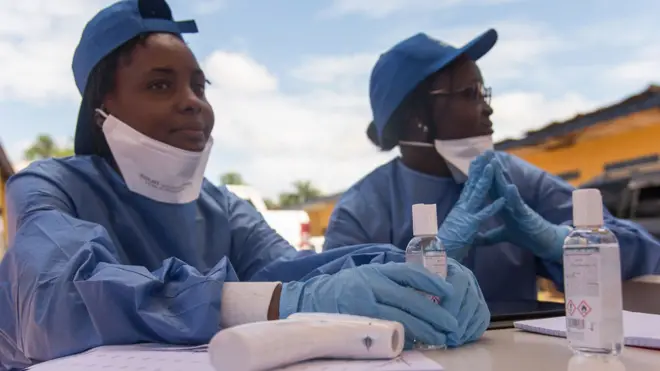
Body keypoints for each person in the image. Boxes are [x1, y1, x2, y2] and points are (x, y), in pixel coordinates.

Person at [0, 1, 491, 369]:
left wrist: (404, 272)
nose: (194, 103)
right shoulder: (47, 187)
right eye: (159, 84)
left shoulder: (222, 207)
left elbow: (296, 271)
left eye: (200, 85)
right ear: (99, 109)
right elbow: (56, 301)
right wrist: (272, 302)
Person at [323, 30, 660, 306]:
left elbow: (646, 256)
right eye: (471, 93)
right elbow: (331, 303)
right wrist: (417, 268)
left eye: (485, 92)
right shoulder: (362, 210)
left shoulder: (514, 179)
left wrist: (558, 242)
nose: (488, 109)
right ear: (415, 119)